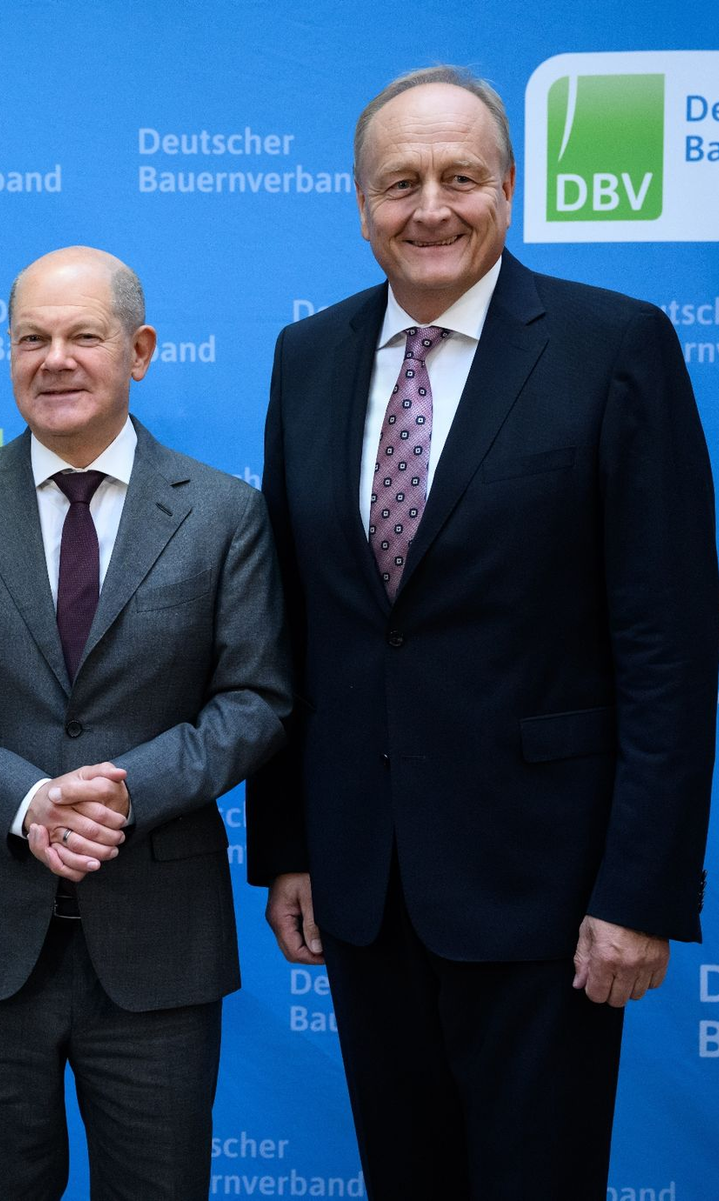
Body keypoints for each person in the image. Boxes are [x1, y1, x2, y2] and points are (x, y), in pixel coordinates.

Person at [246, 66, 717, 1200]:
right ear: (361, 208)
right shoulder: (307, 359)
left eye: (461, 177)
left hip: (549, 890)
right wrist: (290, 843)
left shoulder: (616, 346)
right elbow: (291, 621)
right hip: (365, 885)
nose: (431, 208)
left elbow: (670, 641)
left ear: (509, 190)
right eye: (399, 183)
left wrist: (640, 892)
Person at [0, 245, 291, 1200]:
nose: (53, 359)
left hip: (157, 952)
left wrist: (121, 791)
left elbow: (255, 701)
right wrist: (29, 799)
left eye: (82, 336)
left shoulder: (225, 514)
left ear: (138, 351)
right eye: (30, 338)